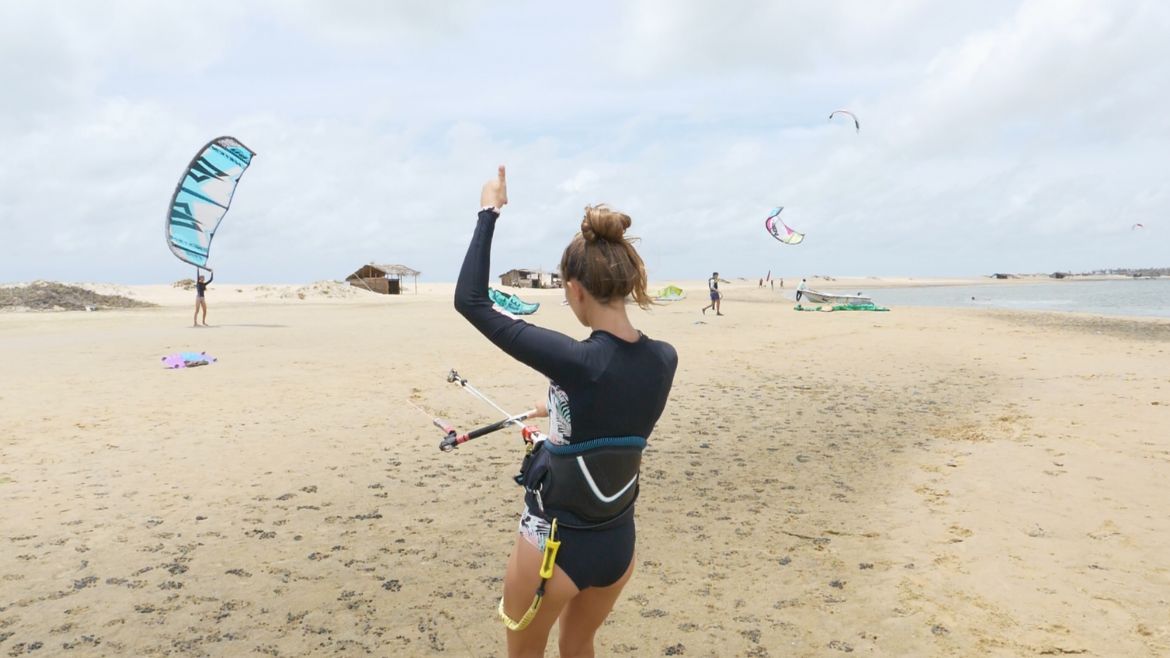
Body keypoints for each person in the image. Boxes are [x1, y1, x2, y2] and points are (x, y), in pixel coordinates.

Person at [455, 166, 677, 658]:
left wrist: (488, 211)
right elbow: (612, 415)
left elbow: (470, 302)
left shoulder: (579, 363)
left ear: (574, 288)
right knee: (578, 647)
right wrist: (556, 407)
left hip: (554, 548)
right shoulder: (664, 359)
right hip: (618, 544)